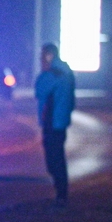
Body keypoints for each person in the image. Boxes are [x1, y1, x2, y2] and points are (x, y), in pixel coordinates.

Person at [34, 43, 75, 205]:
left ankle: (61, 194)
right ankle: (61, 193)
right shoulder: (66, 72)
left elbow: (39, 90)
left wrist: (44, 72)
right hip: (61, 121)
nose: (40, 59)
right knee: (57, 156)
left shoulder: (52, 74)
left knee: (54, 159)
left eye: (42, 56)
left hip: (52, 121)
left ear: (49, 56)